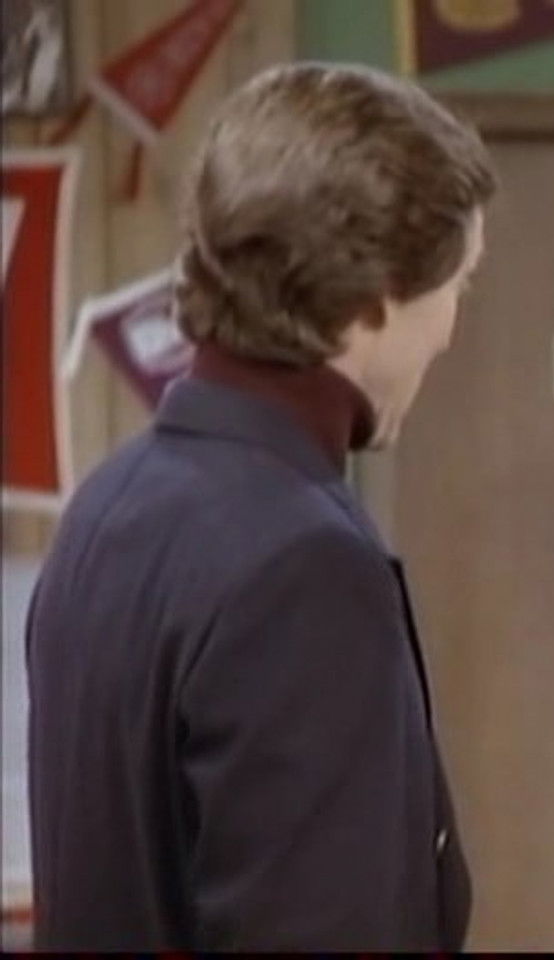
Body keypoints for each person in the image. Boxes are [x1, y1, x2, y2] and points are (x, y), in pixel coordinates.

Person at [25, 62, 494, 950]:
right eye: (455, 286)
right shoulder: (304, 564)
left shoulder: (107, 508)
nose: (450, 329)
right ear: (372, 301)